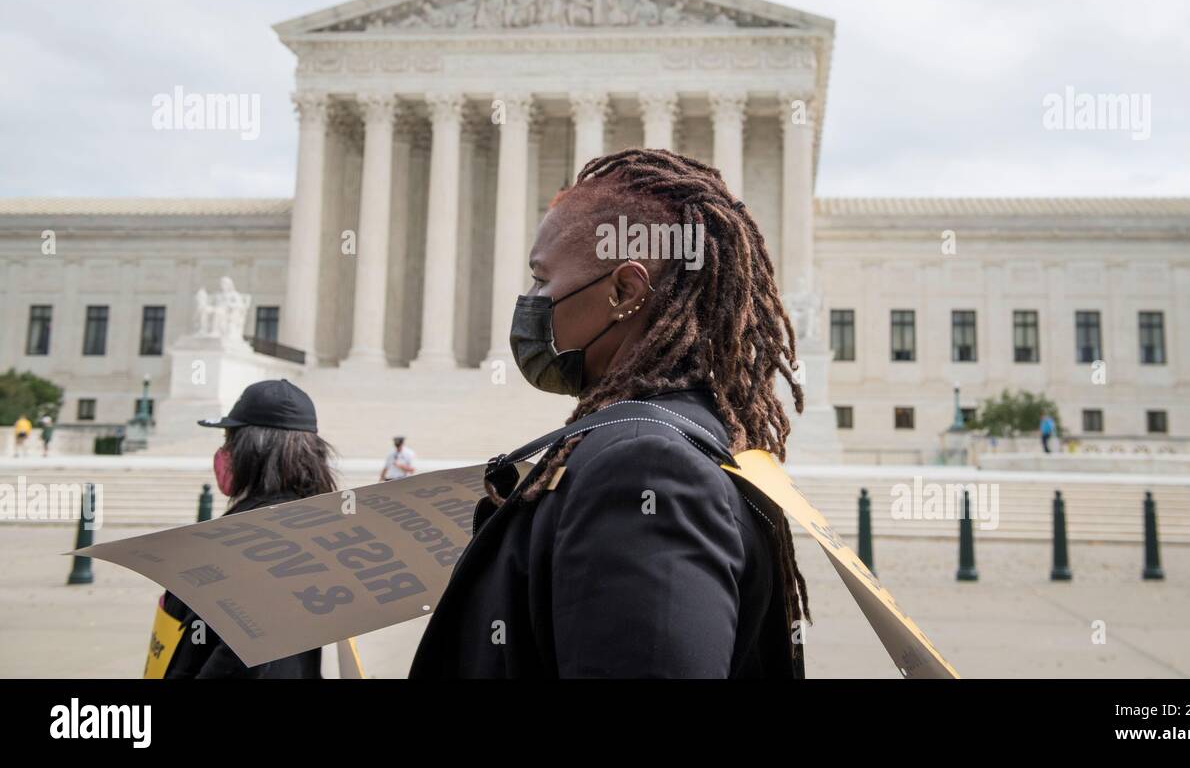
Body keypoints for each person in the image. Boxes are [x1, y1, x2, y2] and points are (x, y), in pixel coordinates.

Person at [410, 148, 808, 678]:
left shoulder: (645, 468)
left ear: (624, 291)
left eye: (540, 279)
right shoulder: (674, 436)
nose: (530, 300)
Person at [158, 378, 337, 678]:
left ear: (249, 451)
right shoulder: (323, 537)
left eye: (230, 439)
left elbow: (235, 658)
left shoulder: (227, 542)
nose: (223, 451)